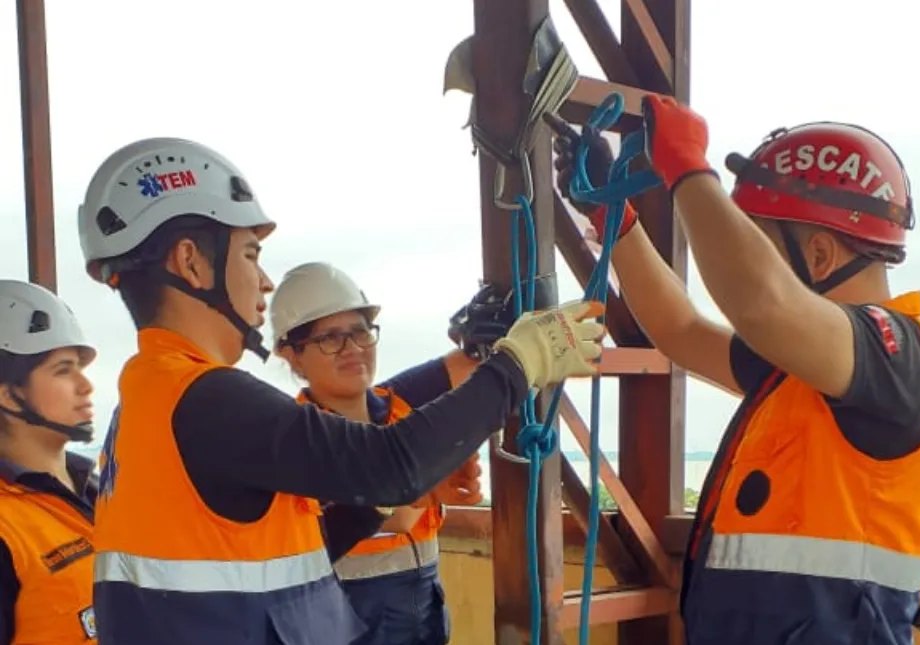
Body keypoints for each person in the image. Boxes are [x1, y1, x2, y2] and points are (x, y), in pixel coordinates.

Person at [76, 137, 605, 645]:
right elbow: (391, 463)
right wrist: (522, 362)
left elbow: (296, 550)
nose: (263, 281)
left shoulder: (153, 399)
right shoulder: (205, 398)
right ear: (191, 261)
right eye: (250, 254)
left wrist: (378, 507)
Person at [546, 99, 920, 644]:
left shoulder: (898, 360)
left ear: (818, 256)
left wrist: (688, 168)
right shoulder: (806, 369)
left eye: (757, 243)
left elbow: (761, 304)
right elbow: (681, 332)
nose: (745, 263)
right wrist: (615, 221)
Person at [270, 261, 519, 645]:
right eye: (330, 339)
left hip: (424, 619)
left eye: (359, 332)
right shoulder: (297, 438)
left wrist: (486, 334)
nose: (352, 349)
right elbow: (396, 513)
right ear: (291, 354)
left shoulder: (400, 402)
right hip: (348, 627)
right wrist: (433, 480)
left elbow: (474, 365)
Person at [0, 280, 99, 644]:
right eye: (63, 370)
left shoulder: (104, 491)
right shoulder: (7, 527)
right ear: (10, 395)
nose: (85, 385)